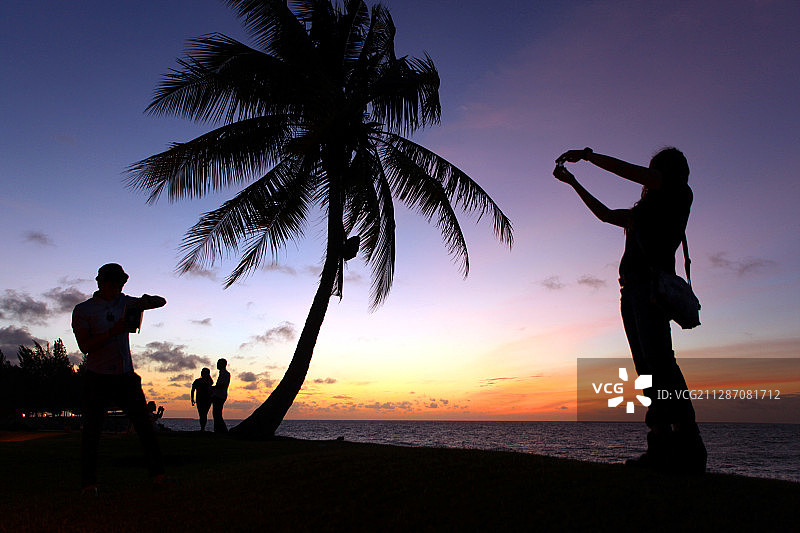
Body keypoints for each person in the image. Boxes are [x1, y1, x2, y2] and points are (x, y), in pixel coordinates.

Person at [554, 147, 706, 474]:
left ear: (669, 172)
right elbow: (606, 214)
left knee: (661, 365)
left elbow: (630, 171)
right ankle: (662, 445)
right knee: (648, 369)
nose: (650, 176)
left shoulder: (680, 195)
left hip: (650, 291)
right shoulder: (644, 210)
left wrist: (590, 156)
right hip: (631, 292)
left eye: (656, 170)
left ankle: (688, 447)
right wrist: (573, 183)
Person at [72, 263, 170, 493]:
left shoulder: (125, 302)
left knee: (145, 427)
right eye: (113, 283)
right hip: (97, 377)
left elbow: (161, 301)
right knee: (92, 432)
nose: (117, 288)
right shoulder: (83, 310)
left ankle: (159, 475)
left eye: (121, 284)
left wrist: (147, 301)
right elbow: (85, 346)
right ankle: (89, 483)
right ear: (101, 283)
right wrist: (112, 332)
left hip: (125, 375)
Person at [211, 358, 230, 433]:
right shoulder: (223, 373)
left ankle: (221, 431)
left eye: (219, 363)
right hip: (219, 395)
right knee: (217, 414)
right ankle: (219, 430)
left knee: (217, 414)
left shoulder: (225, 374)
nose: (217, 365)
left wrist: (212, 388)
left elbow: (222, 385)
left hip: (219, 396)